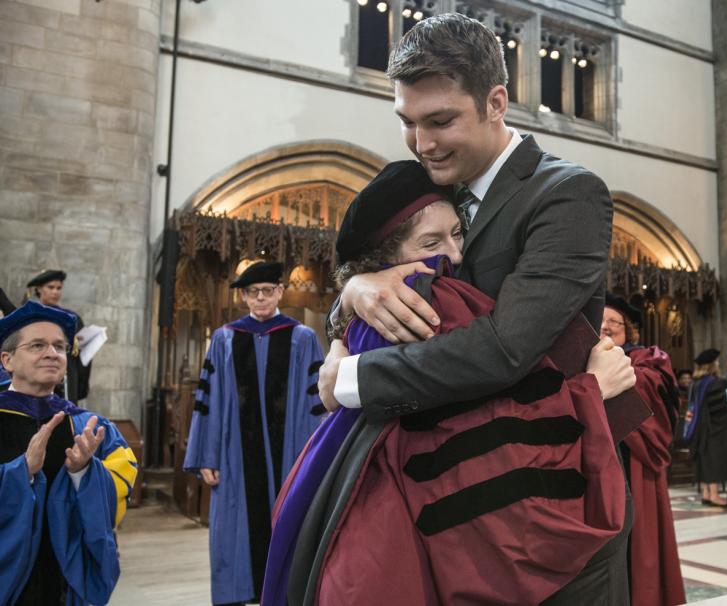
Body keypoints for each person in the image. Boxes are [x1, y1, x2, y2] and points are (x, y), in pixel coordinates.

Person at [318, 13, 636, 604]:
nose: (422, 143)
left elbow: (504, 347)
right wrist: (354, 291)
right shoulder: (427, 185)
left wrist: (351, 377)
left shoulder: (566, 193)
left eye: (440, 121)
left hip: (547, 500)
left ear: (496, 102)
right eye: (408, 123)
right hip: (440, 497)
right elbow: (369, 266)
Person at [270, 161, 630, 606]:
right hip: (421, 520)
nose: (454, 255)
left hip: (349, 490)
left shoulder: (379, 298)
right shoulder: (430, 300)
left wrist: (352, 292)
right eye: (431, 242)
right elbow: (489, 430)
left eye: (456, 234)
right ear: (386, 253)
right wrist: (589, 391)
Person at [183, 261, 326, 606]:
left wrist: (313, 461)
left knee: (289, 529)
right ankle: (238, 593)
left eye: (267, 291)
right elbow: (208, 401)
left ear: (279, 292)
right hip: (235, 459)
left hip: (288, 457)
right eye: (252, 292)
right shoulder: (225, 339)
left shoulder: (301, 338)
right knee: (233, 534)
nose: (260, 298)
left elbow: (316, 405)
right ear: (243, 297)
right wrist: (207, 456)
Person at [0, 301, 137, 605]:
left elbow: (120, 482)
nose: (52, 353)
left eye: (60, 347)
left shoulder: (87, 426)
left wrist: (84, 473)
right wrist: (21, 472)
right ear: (7, 360)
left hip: (62, 582)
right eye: (37, 345)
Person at [601, 295, 685, 606]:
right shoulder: (580, 357)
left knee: (639, 538)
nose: (606, 326)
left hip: (635, 458)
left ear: (628, 330)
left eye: (614, 321)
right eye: (600, 320)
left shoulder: (646, 357)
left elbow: (656, 395)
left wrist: (612, 374)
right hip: (597, 458)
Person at [27, 270, 92, 402]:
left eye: (59, 288)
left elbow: (81, 357)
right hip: (40, 372)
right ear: (39, 289)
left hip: (67, 373)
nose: (55, 292)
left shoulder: (72, 318)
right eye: (50, 287)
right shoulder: (29, 316)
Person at [684, 348, 727, 507]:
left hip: (698, 428)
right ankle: (714, 495)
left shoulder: (695, 383)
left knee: (704, 459)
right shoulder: (716, 383)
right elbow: (720, 406)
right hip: (713, 428)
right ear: (712, 365)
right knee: (713, 459)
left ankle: (707, 493)